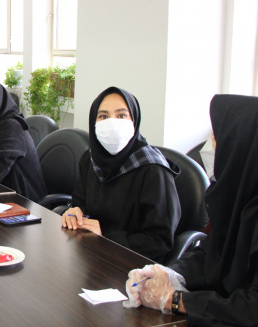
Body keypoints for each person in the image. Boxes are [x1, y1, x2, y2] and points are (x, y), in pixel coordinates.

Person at [123, 95, 258, 327]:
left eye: (218, 137)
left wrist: (176, 300)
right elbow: (211, 253)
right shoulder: (244, 194)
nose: (211, 145)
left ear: (243, 145)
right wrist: (170, 273)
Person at [62, 87, 180, 262]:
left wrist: (106, 236)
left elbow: (159, 241)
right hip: (92, 253)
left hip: (133, 264)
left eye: (122, 115)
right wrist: (74, 213)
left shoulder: (153, 169)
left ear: (134, 120)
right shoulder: (90, 159)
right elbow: (80, 203)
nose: (112, 123)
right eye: (103, 116)